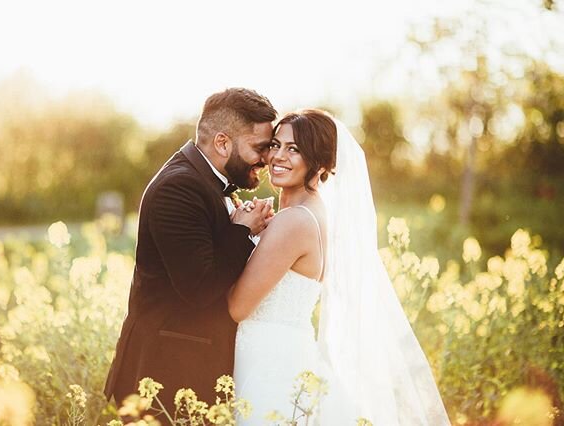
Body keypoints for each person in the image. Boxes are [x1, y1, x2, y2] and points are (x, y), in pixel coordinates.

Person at [228, 109, 451, 425]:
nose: (278, 156)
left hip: (268, 364)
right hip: (287, 352)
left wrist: (237, 233)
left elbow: (238, 307)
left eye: (294, 149)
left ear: (320, 163)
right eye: (276, 145)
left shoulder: (293, 221)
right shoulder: (311, 213)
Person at [104, 88, 277, 415]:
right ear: (223, 143)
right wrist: (242, 231)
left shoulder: (209, 181)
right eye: (260, 148)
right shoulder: (179, 188)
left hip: (187, 371)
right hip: (165, 374)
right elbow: (199, 288)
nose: (267, 159)